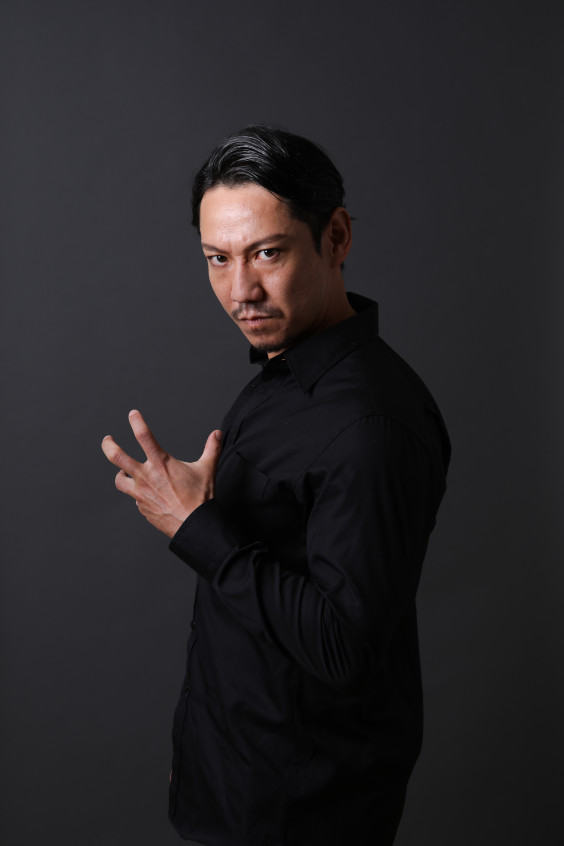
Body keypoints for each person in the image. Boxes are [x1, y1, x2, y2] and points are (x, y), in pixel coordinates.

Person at [101, 125, 450, 846]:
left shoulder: (370, 424)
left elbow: (344, 649)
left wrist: (196, 526)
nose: (241, 291)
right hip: (238, 784)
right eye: (218, 259)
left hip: (300, 815)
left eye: (267, 253)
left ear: (336, 237)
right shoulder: (286, 369)